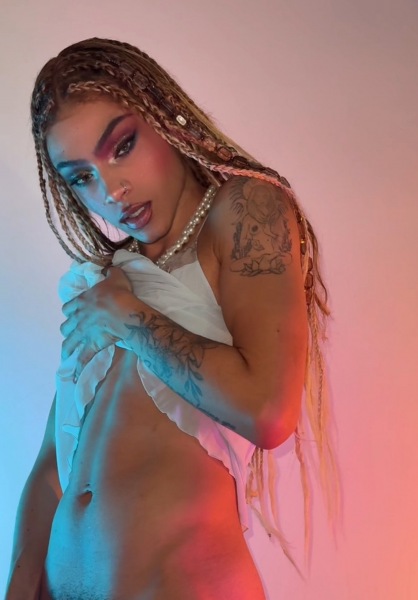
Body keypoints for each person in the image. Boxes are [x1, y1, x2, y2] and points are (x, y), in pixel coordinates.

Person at [6, 37, 337, 600]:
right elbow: (51, 468)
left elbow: (268, 412)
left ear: (165, 117)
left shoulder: (244, 211)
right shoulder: (104, 283)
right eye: (81, 177)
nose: (111, 191)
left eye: (122, 146)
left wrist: (131, 318)